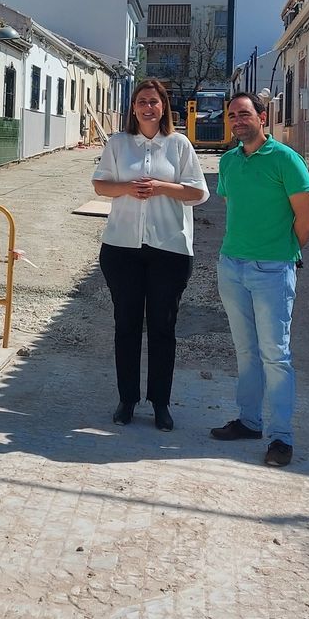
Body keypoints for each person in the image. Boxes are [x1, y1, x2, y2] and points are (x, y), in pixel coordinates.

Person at [91, 78, 209, 431]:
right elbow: (100, 184)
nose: (147, 107)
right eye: (141, 101)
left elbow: (199, 193)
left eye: (154, 102)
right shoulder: (118, 143)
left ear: (163, 108)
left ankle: (160, 403)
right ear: (134, 108)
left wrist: (161, 188)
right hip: (122, 249)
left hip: (169, 249)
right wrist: (127, 187)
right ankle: (127, 400)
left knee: (163, 327)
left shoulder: (179, 145)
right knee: (125, 326)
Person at [209, 91, 309, 467]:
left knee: (276, 355)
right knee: (245, 352)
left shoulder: (287, 160)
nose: (238, 120)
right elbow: (235, 209)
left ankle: (281, 437)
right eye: (232, 115)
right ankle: (249, 421)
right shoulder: (228, 162)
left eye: (245, 114)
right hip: (232, 267)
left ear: (263, 117)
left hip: (272, 270)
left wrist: (284, 253)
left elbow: (307, 220)